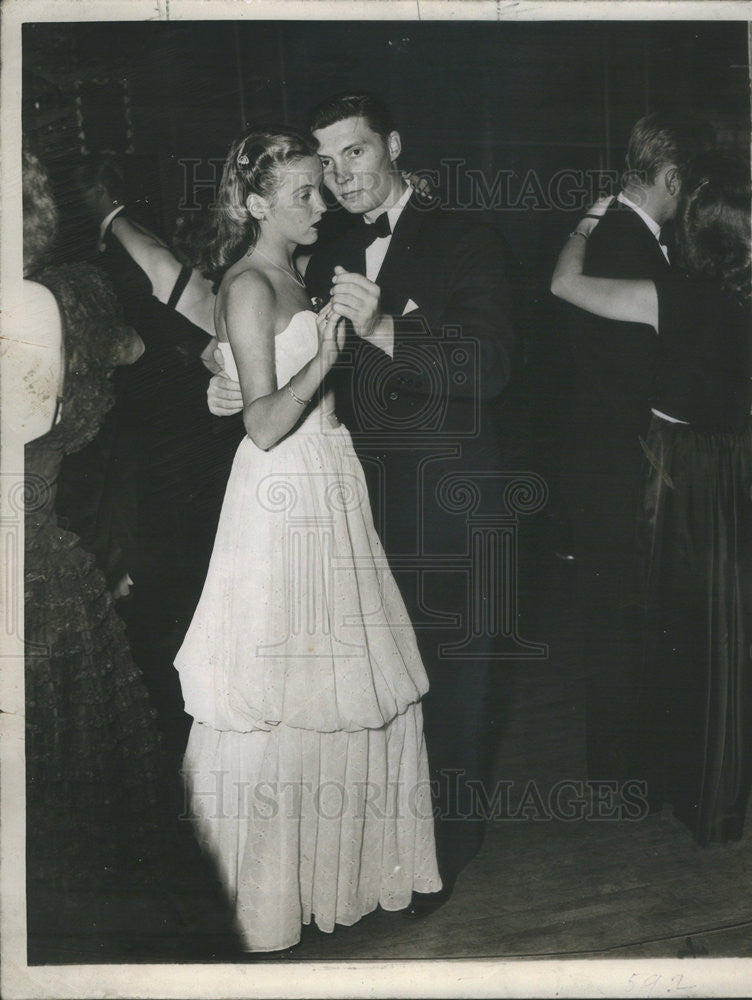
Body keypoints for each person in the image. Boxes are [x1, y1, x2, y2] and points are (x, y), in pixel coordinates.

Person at [207, 92, 516, 915]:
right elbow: (268, 344)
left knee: (449, 686)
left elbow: (487, 372)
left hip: (448, 504)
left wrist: (384, 331)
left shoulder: (467, 237)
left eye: (356, 153)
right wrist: (228, 377)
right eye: (326, 160)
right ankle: (375, 863)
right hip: (343, 504)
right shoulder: (320, 239)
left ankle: (438, 864)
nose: (340, 176)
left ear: (395, 145)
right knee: (363, 695)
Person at [174, 127, 441, 954]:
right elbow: (259, 424)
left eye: (321, 188)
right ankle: (268, 900)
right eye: (302, 193)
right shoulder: (249, 284)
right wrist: (324, 356)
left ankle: (354, 879)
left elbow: (256, 392)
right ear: (257, 204)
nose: (320, 203)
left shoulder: (295, 272)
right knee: (286, 696)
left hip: (331, 479)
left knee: (348, 684)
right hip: (282, 499)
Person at [16, 147, 239, 961]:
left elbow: (177, 311)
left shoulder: (62, 299)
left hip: (158, 494)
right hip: (132, 490)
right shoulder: (95, 291)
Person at [551, 151, 752, 846]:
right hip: (735, 466)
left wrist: (587, 216)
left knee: (671, 629)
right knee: (725, 632)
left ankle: (670, 780)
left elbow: (564, 283)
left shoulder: (669, 294)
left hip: (677, 473)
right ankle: (716, 794)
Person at [560, 113, 712, 793]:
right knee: (626, 621)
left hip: (601, 463)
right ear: (672, 179)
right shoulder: (630, 245)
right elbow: (638, 382)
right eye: (688, 190)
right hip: (626, 468)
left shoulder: (605, 231)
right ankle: (628, 778)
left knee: (616, 622)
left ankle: (619, 770)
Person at [71, 158, 242, 749]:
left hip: (183, 447)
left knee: (179, 588)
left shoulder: (139, 251)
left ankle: (196, 731)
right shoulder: (96, 265)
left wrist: (111, 217)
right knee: (162, 588)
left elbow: (178, 285)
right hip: (146, 448)